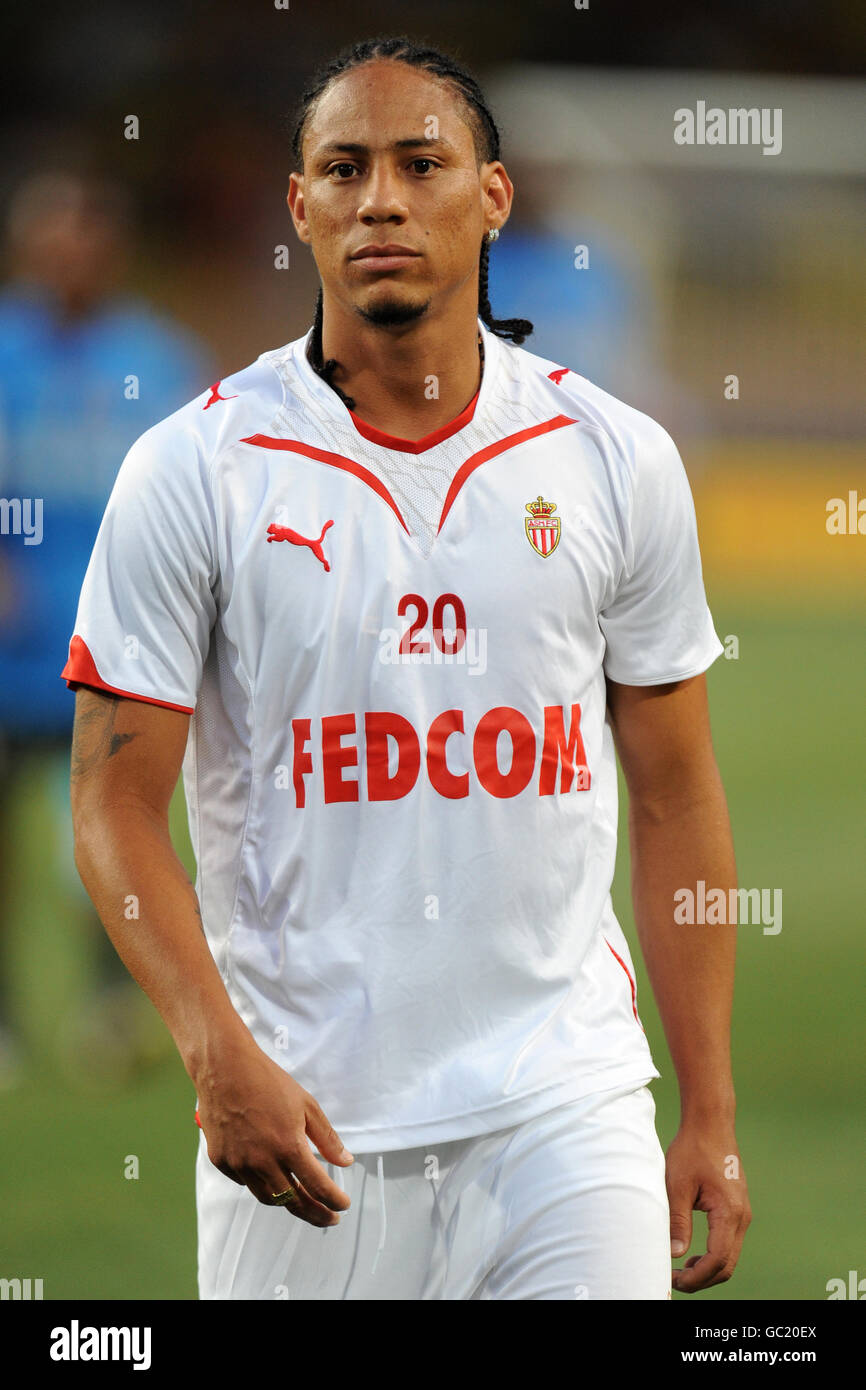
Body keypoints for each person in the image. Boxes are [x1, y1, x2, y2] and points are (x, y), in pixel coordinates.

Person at [63, 36, 751, 1300]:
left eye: (418, 163)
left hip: (566, 1103)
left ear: (489, 197)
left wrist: (705, 1106)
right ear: (300, 208)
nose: (378, 197)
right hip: (305, 1129)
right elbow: (110, 807)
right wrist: (217, 1058)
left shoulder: (614, 457)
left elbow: (673, 794)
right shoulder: (194, 470)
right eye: (343, 168)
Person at [0, 170, 212, 1084]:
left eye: (85, 237)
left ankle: (110, 1005)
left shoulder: (156, 357)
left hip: (121, 644)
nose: (70, 256)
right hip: (13, 644)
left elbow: (204, 481)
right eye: (52, 237)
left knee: (118, 822)